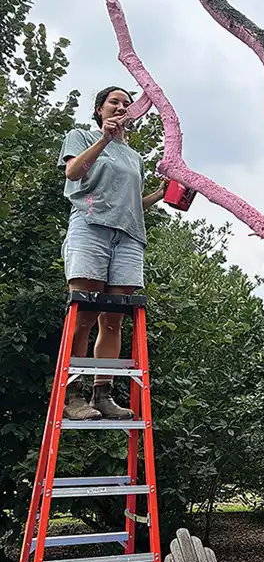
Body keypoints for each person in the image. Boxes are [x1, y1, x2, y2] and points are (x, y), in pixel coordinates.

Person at [59, 86, 166, 421]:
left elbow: (133, 203)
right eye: (114, 101)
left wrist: (161, 194)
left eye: (126, 103)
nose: (121, 106)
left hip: (130, 237)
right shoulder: (81, 135)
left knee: (114, 318)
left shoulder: (134, 157)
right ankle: (72, 396)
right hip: (91, 227)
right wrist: (104, 139)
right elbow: (73, 172)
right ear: (99, 109)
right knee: (84, 315)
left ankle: (102, 394)